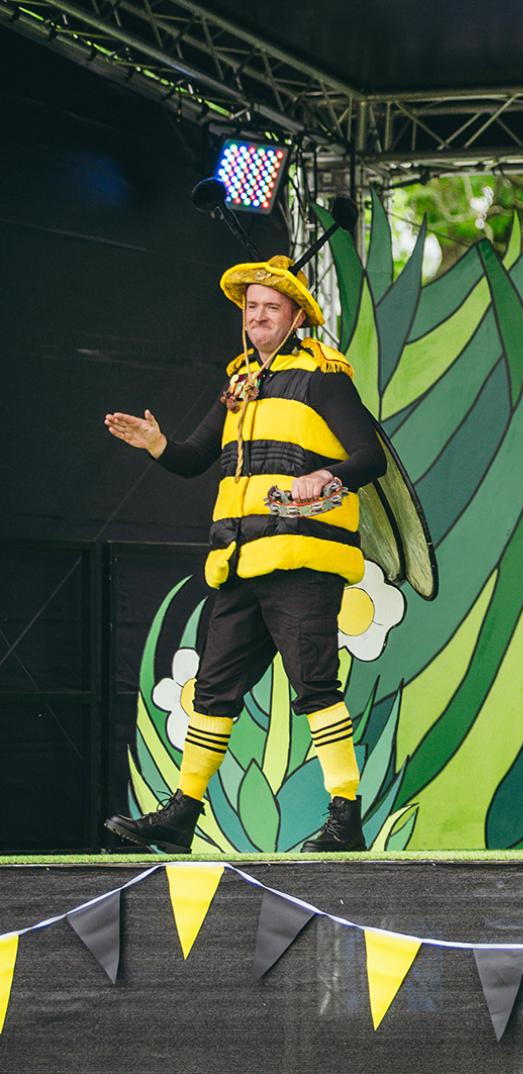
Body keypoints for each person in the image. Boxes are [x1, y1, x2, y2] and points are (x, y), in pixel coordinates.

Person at [100, 254, 386, 853]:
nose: (257, 317)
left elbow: (370, 457)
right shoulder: (240, 383)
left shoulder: (324, 377)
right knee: (213, 689)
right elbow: (195, 458)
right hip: (239, 562)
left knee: (314, 685)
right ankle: (182, 813)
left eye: (270, 308)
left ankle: (346, 814)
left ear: (296, 317)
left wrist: (325, 478)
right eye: (251, 308)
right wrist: (157, 444)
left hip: (302, 559)